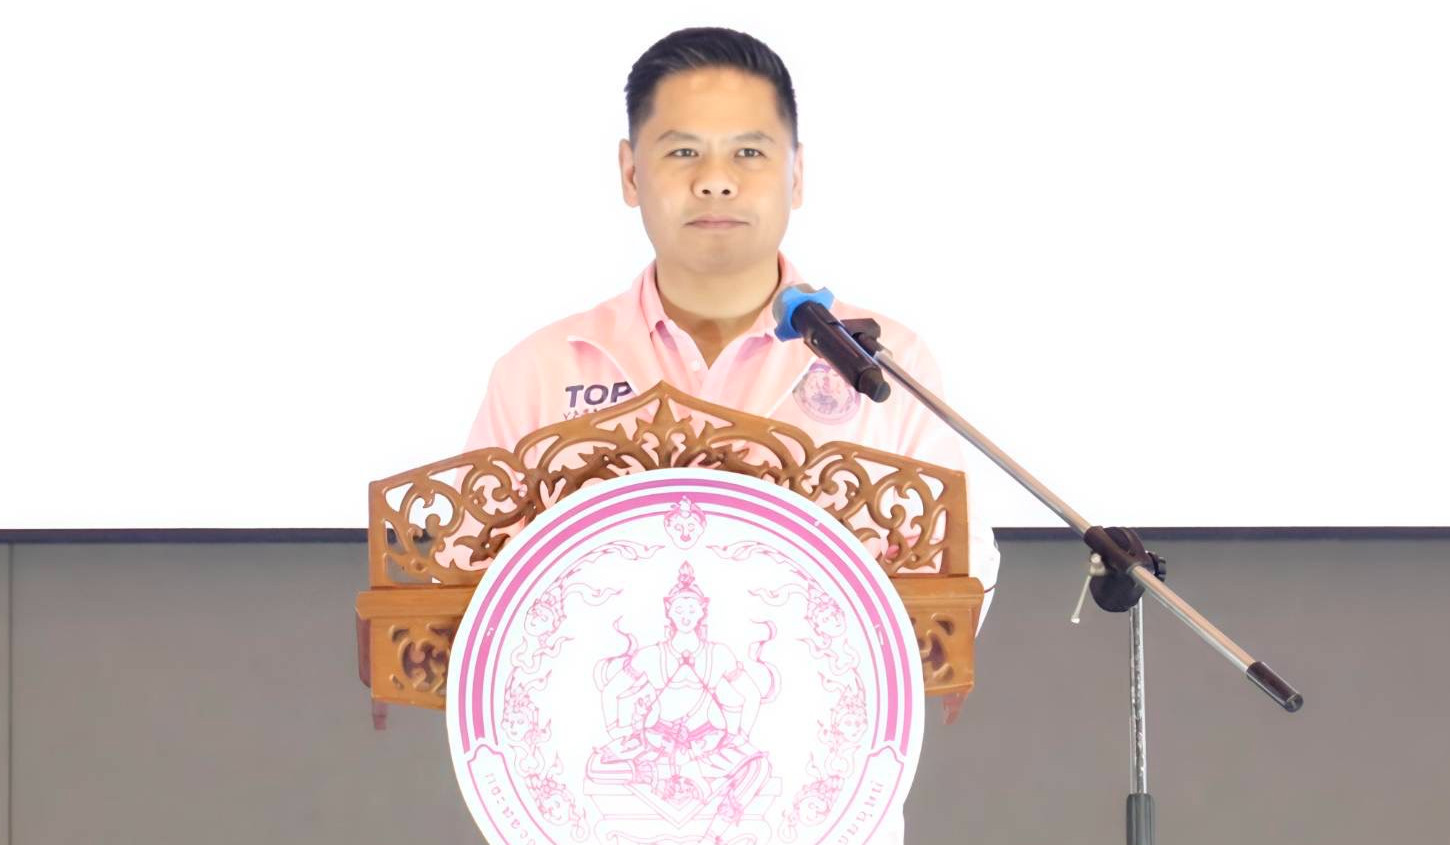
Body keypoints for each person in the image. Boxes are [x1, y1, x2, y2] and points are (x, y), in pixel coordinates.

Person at [455, 26, 1002, 843]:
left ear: (797, 173)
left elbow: (963, 565)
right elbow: (469, 588)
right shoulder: (540, 370)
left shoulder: (883, 365)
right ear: (630, 172)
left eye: (749, 152)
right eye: (683, 152)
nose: (715, 180)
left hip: (822, 813)